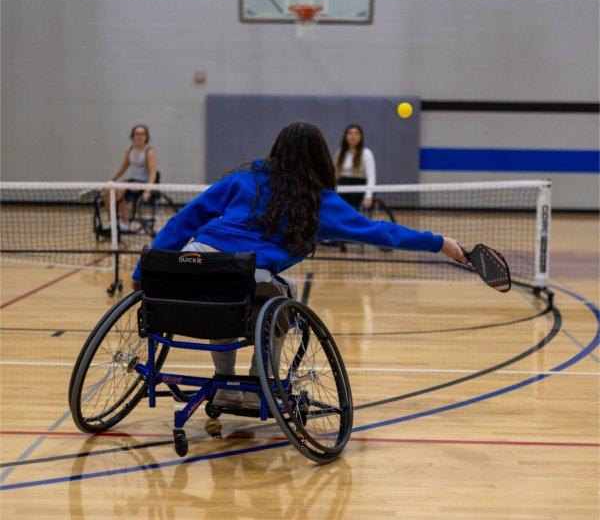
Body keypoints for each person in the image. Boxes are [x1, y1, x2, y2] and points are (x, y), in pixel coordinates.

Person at [131, 122, 465, 409]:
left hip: (191, 266)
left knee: (225, 302)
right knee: (275, 295)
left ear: (277, 150)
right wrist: (439, 243)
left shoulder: (243, 179)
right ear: (321, 158)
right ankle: (260, 384)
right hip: (241, 275)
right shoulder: (319, 203)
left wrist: (141, 272)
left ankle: (225, 385)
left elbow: (183, 220)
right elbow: (382, 232)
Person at [103, 124, 158, 228]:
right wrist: (110, 181)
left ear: (146, 137)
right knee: (108, 189)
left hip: (143, 183)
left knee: (119, 190)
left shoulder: (149, 152)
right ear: (133, 136)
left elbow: (153, 173)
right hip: (131, 182)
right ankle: (112, 220)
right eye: (137, 134)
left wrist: (148, 190)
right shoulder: (130, 150)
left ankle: (125, 222)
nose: (140, 136)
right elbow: (122, 168)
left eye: (142, 134)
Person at [334, 124, 376, 211]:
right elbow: (334, 174)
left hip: (359, 188)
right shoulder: (340, 152)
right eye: (350, 133)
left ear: (361, 137)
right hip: (342, 187)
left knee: (352, 212)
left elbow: (371, 177)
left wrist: (368, 196)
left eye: (356, 133)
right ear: (345, 136)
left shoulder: (366, 153)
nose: (353, 136)